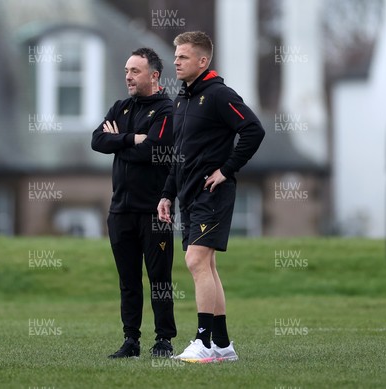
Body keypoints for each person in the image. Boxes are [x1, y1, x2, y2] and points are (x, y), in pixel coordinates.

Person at [157, 31, 265, 363]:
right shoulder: (181, 99)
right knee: (208, 265)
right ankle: (222, 344)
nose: (176, 61)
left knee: (195, 261)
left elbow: (253, 129)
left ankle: (203, 342)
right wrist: (167, 195)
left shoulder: (219, 95)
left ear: (203, 61)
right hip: (188, 196)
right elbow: (179, 153)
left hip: (213, 194)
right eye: (175, 56)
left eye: (183, 57)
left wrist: (227, 169)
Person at [92, 47, 177, 358]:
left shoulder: (167, 110)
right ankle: (131, 341)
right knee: (128, 281)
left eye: (135, 71)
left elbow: (154, 151)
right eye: (126, 70)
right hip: (120, 212)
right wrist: (131, 139)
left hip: (155, 212)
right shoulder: (120, 107)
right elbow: (97, 140)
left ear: (154, 76)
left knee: (159, 280)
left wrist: (121, 142)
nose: (127, 76)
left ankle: (164, 340)